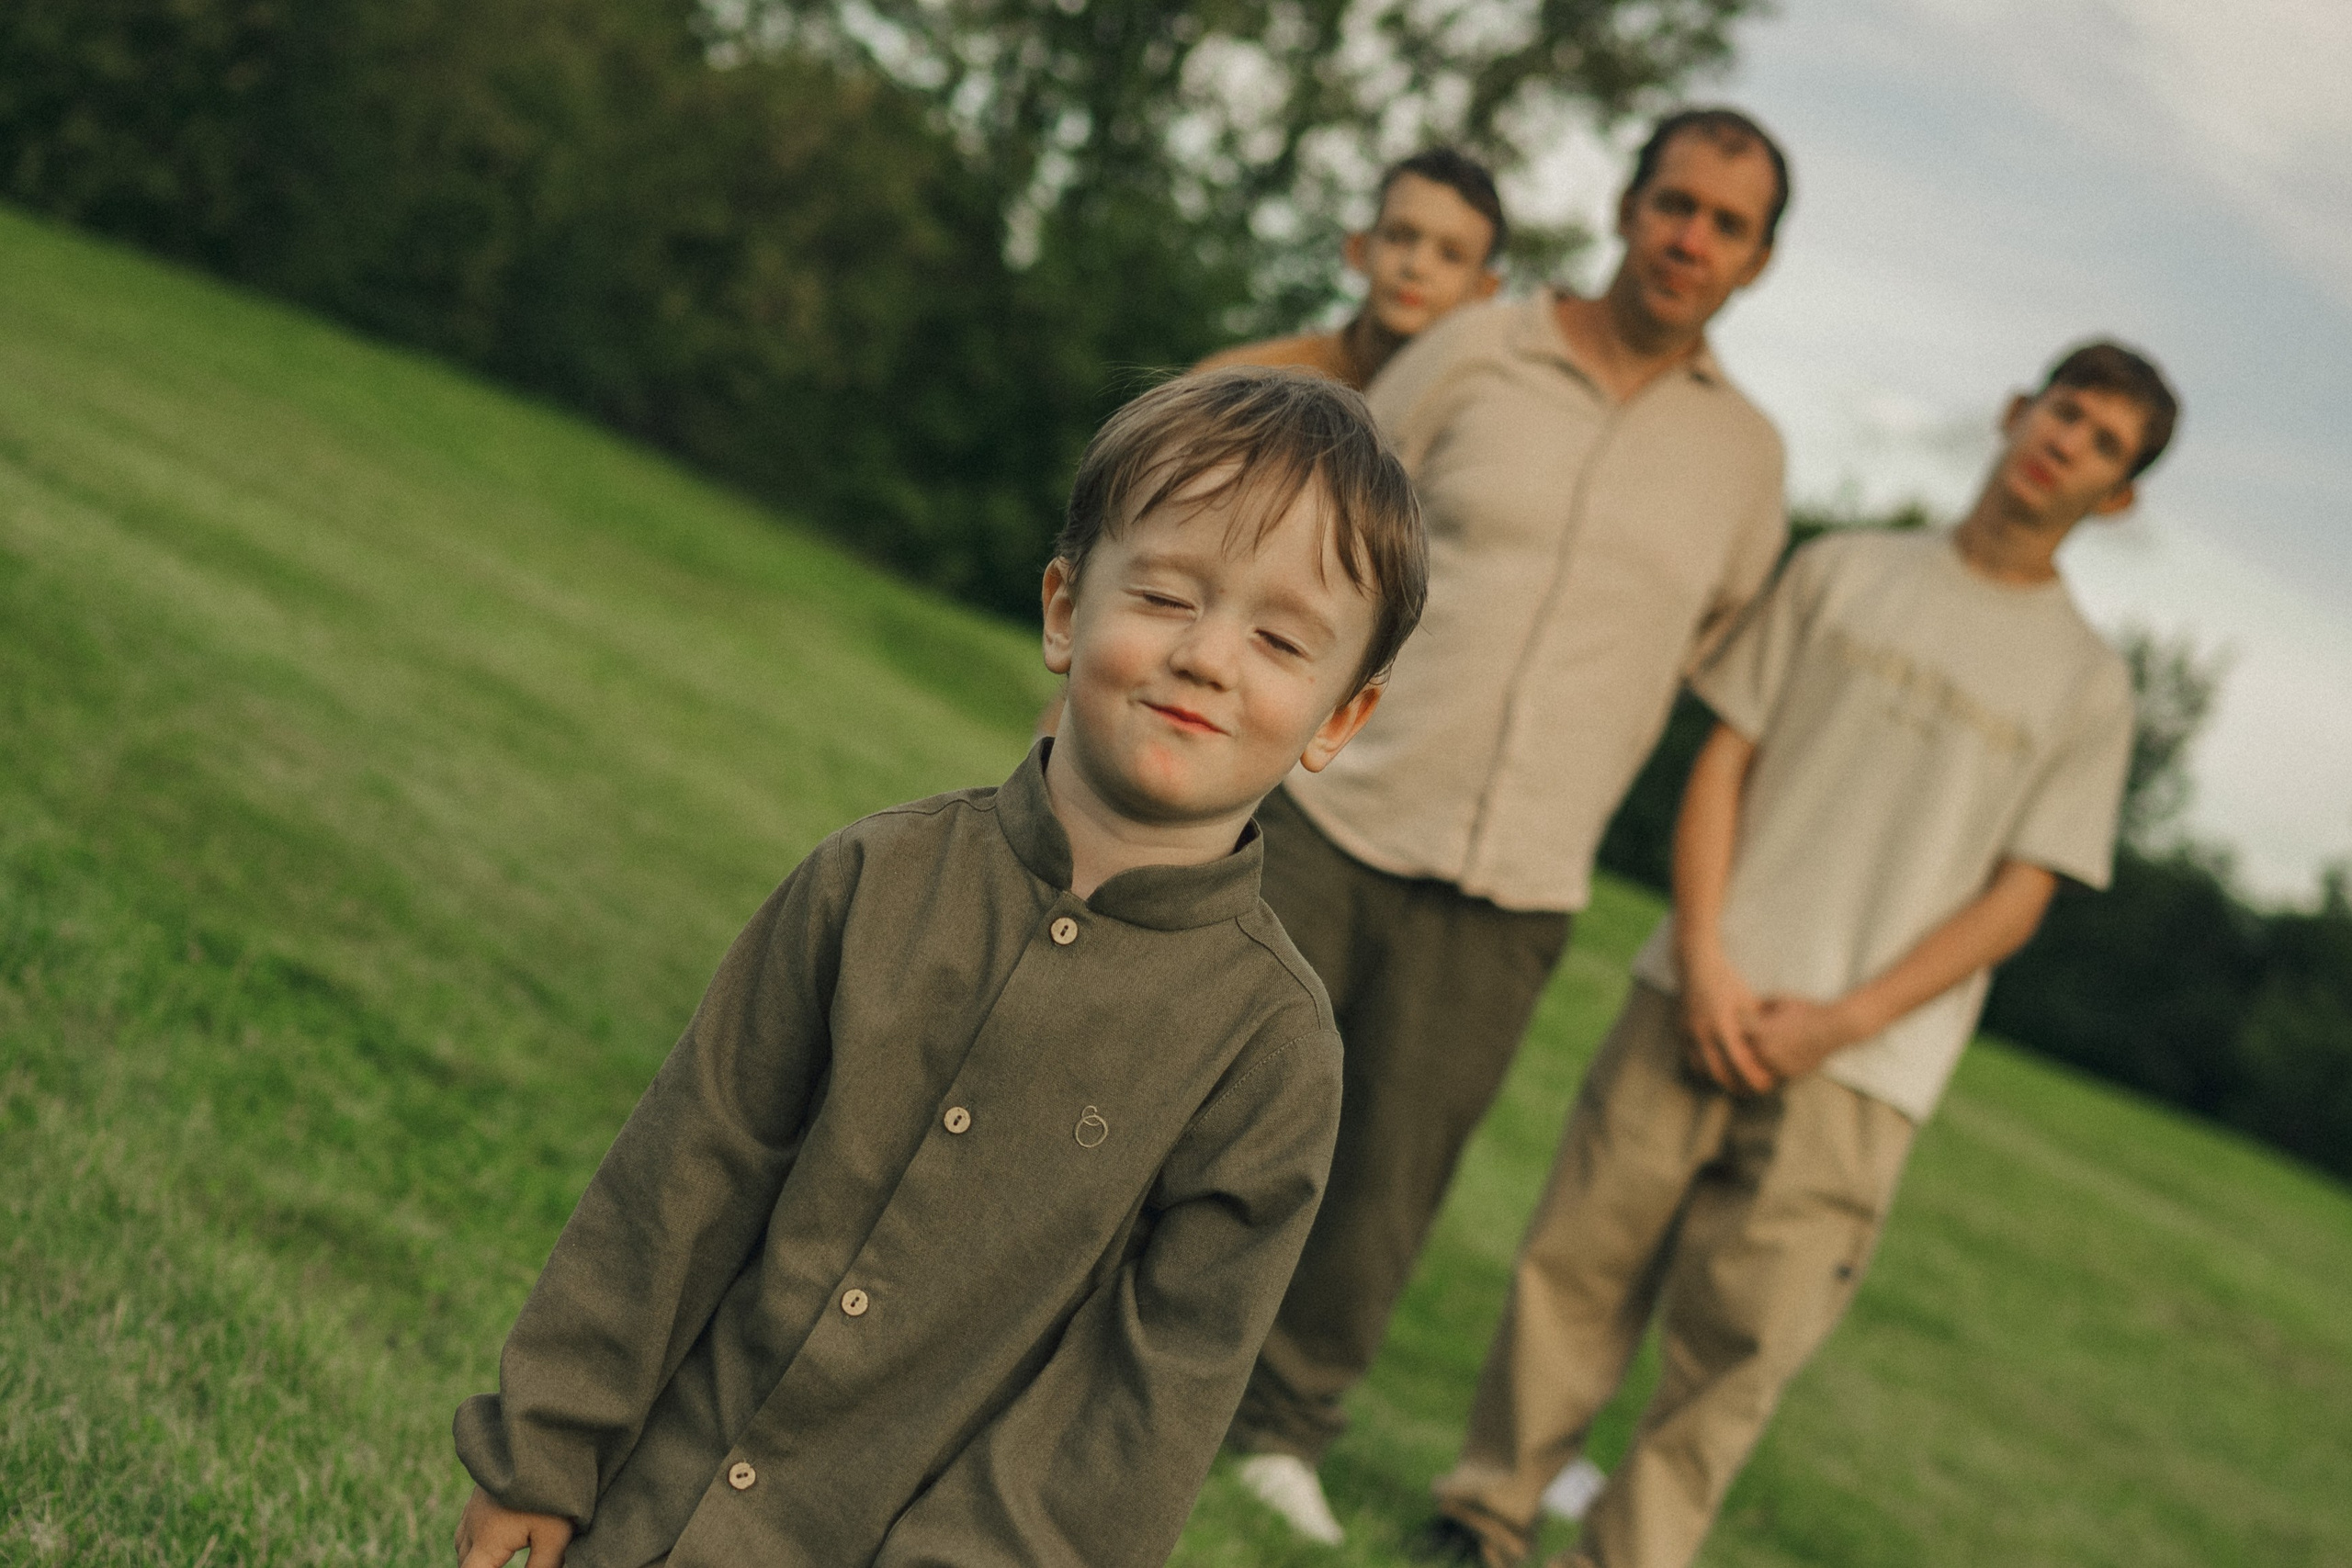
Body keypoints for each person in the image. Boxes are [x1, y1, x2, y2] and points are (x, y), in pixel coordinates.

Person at [447, 367, 1430, 1568]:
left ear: (1341, 718)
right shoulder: (871, 877)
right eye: (1167, 594)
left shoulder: (1271, 1056)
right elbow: (682, 1173)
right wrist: (547, 1446)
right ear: (1065, 609)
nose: (1209, 656)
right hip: (651, 1521)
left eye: (1280, 639)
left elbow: (1138, 1410)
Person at [1416, 342, 2180, 1568]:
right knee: (1578, 1266)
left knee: (1741, 1345)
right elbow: (1724, 761)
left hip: (1864, 1066)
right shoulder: (1843, 570)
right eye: (2063, 410)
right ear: (2013, 408)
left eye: (2102, 442)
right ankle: (1483, 1517)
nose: (2065, 442)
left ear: (2120, 495)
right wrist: (1705, 958)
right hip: (1696, 985)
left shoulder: (2087, 684)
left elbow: (2018, 898)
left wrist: (1842, 1020)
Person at [1225, 107, 1794, 1545]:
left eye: (1727, 224)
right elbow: (1333, 523)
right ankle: (1078, 1327)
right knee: (1198, 1088)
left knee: (1388, 1175)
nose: (1691, 238)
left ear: (1758, 261)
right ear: (1627, 207)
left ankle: (1283, 1425)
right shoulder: (1477, 350)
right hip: (1337, 803)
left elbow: (1712, 643)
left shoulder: (1748, 461)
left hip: (1521, 878)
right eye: (1675, 203)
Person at [1197, 147, 1507, 391]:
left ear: (1485, 290)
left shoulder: (1482, 418)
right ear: (1359, 249)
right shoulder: (1241, 386)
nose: (1416, 267)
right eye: (1399, 237)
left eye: (1451, 255)